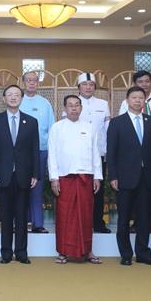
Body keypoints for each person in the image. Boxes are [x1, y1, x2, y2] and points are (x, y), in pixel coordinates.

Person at [107, 86, 151, 266]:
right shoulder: (117, 123)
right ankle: (125, 254)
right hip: (124, 177)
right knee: (123, 218)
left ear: (144, 101)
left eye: (141, 98)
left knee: (144, 218)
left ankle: (143, 253)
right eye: (134, 98)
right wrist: (113, 176)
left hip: (147, 177)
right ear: (127, 100)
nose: (137, 100)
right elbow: (112, 153)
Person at [48, 95, 103, 264]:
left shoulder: (90, 127)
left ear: (81, 108)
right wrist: (54, 178)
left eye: (77, 105)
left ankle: (88, 250)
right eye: (70, 105)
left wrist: (98, 176)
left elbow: (96, 153)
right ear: (64, 108)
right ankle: (63, 251)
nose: (74, 108)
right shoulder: (57, 128)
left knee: (86, 215)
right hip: (65, 178)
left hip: (86, 177)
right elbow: (52, 155)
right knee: (65, 215)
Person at [0, 85, 39, 264]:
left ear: (21, 98)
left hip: (24, 175)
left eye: (16, 95)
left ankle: (22, 252)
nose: (13, 97)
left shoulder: (31, 122)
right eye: (9, 95)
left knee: (22, 216)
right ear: (3, 99)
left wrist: (35, 174)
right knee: (6, 216)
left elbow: (34, 150)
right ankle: (6, 253)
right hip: (3, 175)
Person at [119, 70, 151, 233]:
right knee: (135, 185)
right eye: (140, 82)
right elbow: (123, 125)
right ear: (135, 84)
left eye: (147, 81)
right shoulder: (126, 103)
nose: (144, 84)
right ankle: (136, 221)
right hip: (133, 153)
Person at [74, 72, 112, 233]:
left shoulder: (103, 104)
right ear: (79, 87)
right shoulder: (73, 103)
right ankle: (79, 221)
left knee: (98, 189)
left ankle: (97, 222)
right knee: (78, 189)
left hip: (99, 153)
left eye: (91, 85)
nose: (88, 87)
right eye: (85, 84)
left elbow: (108, 129)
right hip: (77, 154)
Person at [19, 70, 55, 233]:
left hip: (41, 150)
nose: (32, 83)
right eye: (28, 80)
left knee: (37, 187)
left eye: (34, 80)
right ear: (23, 83)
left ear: (38, 83)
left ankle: (37, 223)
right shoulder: (17, 100)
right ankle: (21, 222)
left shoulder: (45, 103)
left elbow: (51, 128)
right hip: (19, 152)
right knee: (20, 186)